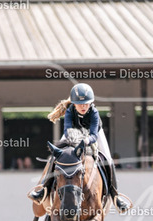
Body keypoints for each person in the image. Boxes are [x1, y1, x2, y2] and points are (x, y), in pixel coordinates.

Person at [28, 83, 130, 213]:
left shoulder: (94, 113)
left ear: (91, 103)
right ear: (74, 104)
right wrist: (75, 142)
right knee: (55, 156)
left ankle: (115, 196)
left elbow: (94, 135)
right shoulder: (70, 111)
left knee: (108, 160)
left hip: (93, 135)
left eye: (86, 104)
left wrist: (86, 140)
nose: (83, 106)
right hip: (73, 134)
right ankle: (44, 189)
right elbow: (67, 131)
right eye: (80, 104)